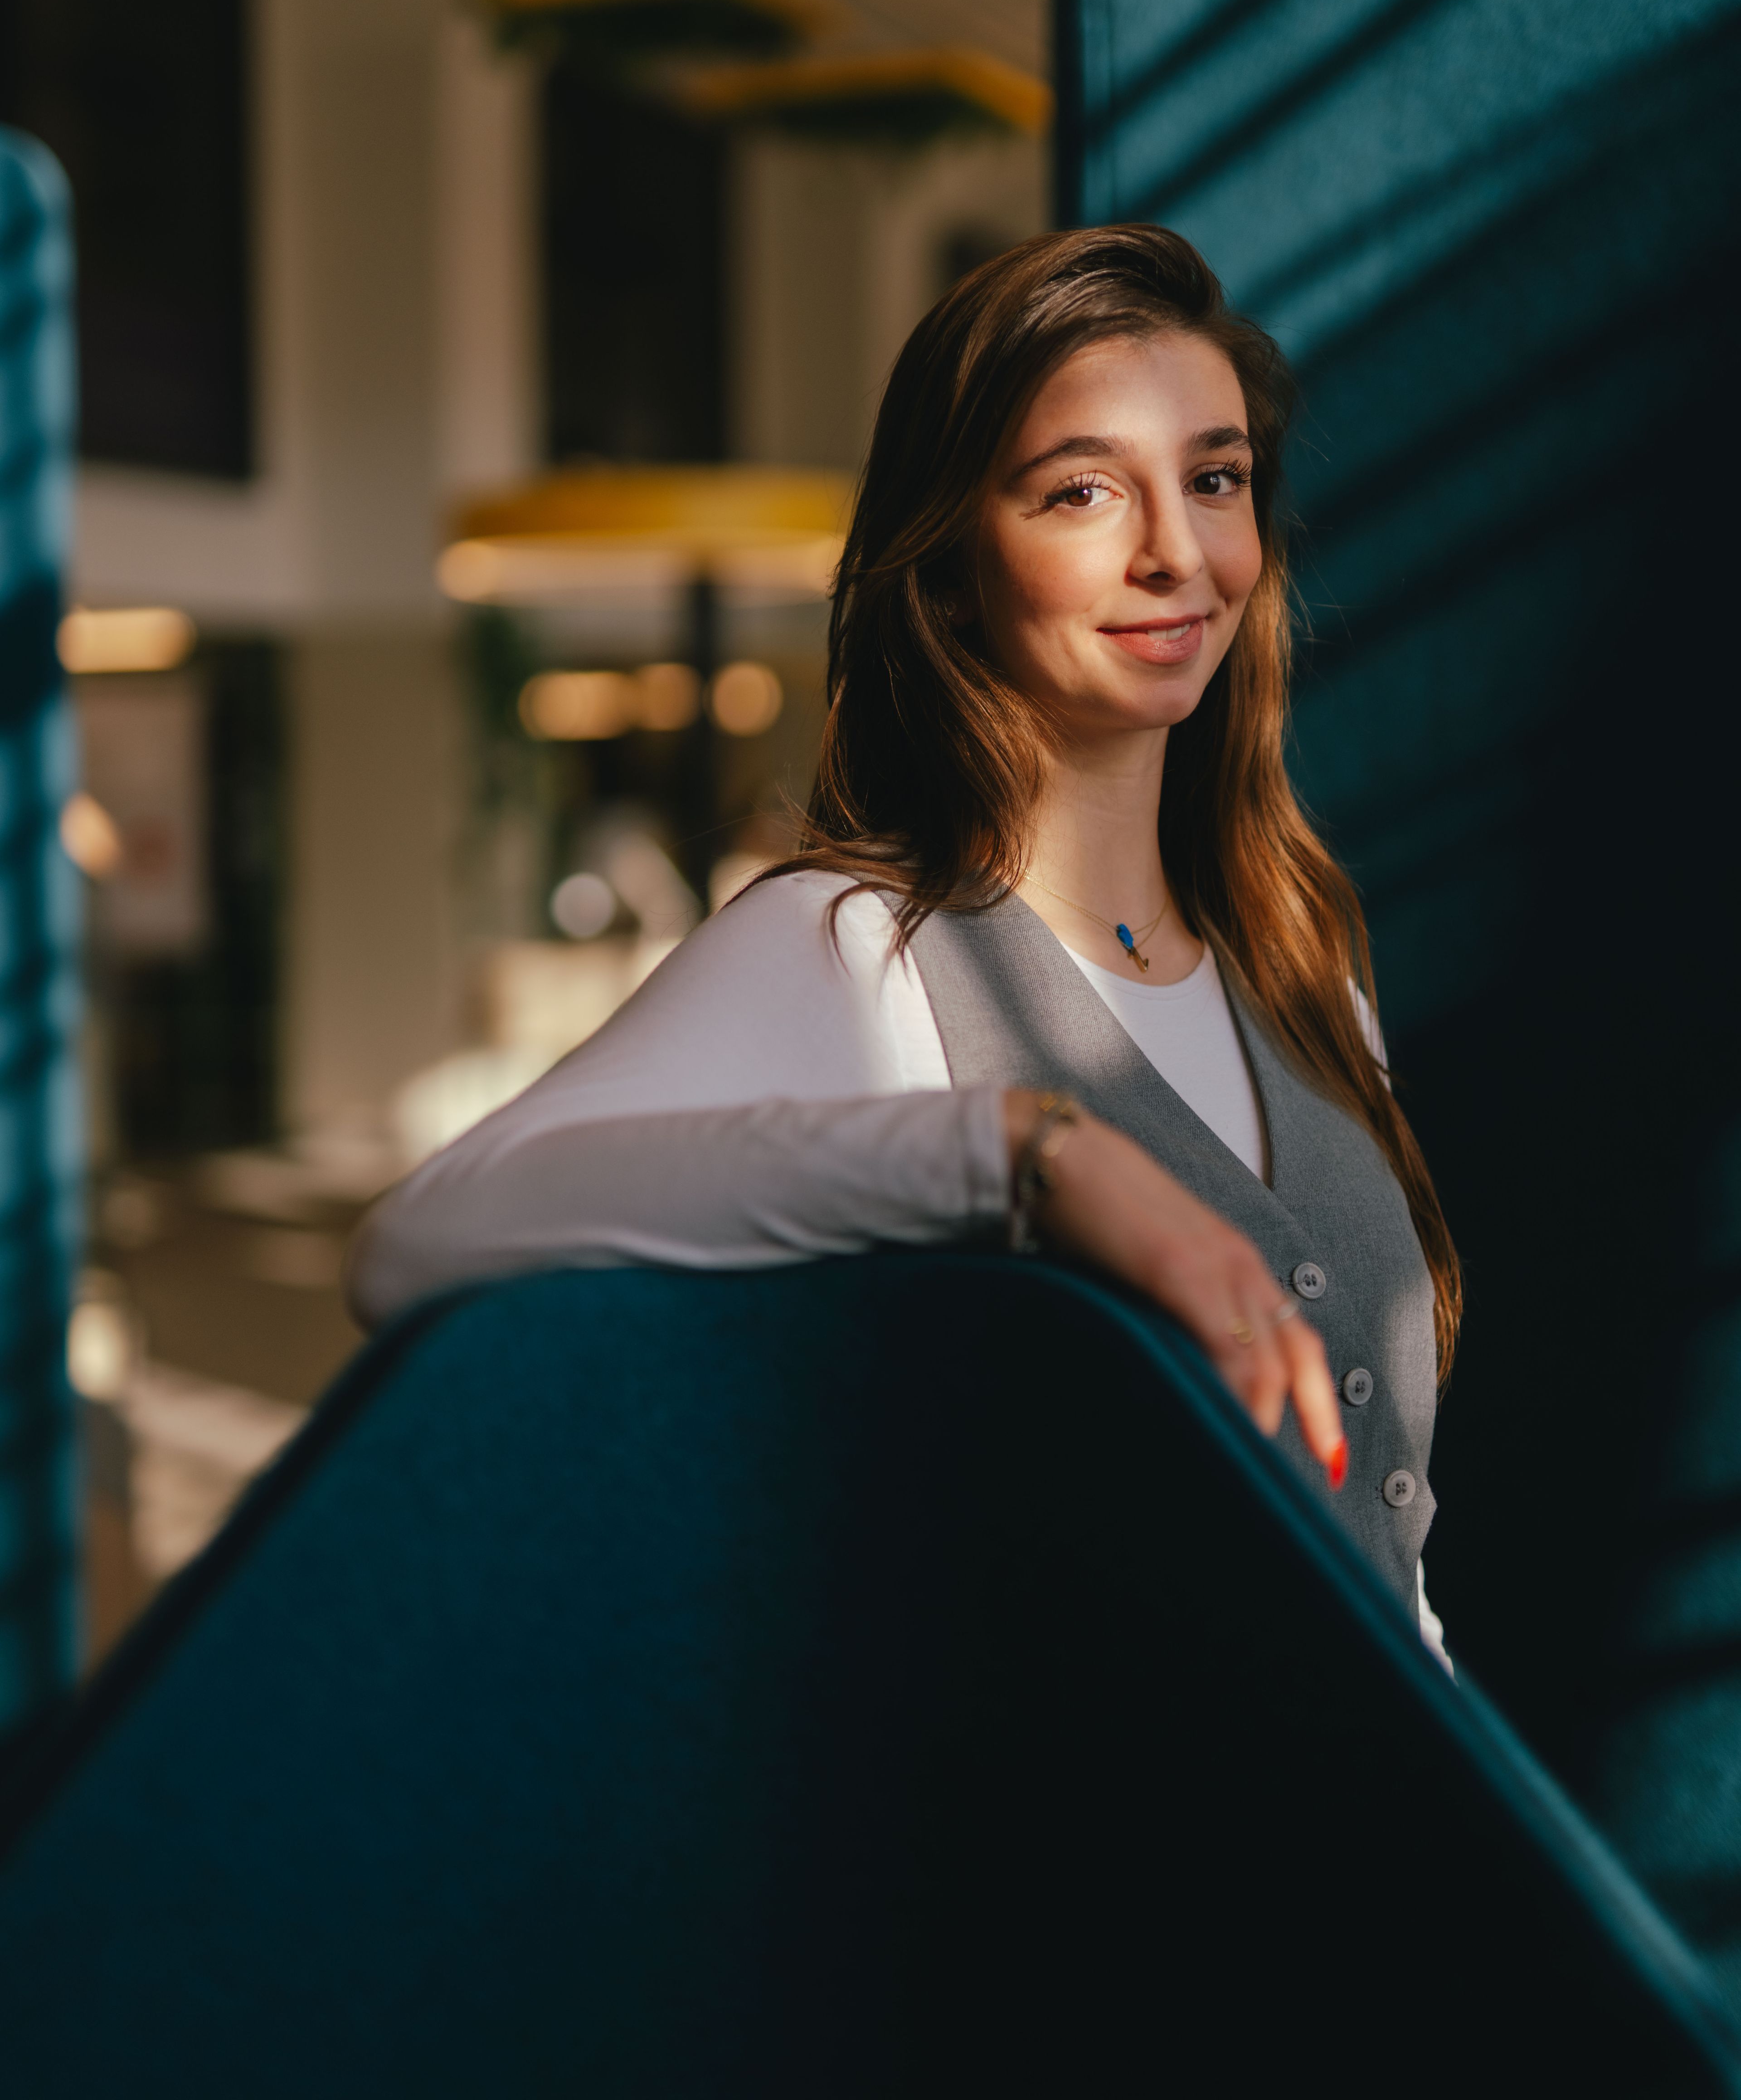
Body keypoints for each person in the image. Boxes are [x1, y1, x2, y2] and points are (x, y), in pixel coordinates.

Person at [348, 224, 1461, 1652]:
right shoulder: (859, 947)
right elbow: (421, 1241)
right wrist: (1023, 1157)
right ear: (950, 566)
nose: (1177, 553)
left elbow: (1391, 1550)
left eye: (1215, 479)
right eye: (1082, 491)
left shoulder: (1301, 962)